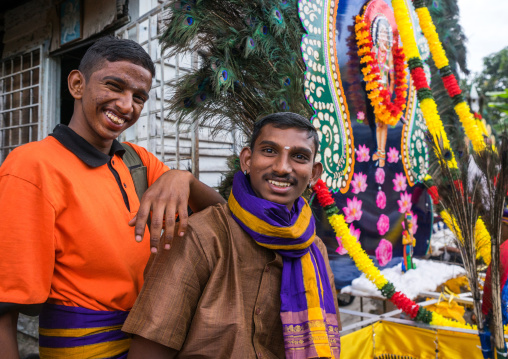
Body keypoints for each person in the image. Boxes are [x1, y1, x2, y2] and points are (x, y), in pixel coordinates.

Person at [0, 36, 224, 358]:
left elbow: (226, 221)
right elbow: (3, 311)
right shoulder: (32, 166)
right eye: (114, 86)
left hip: (151, 339)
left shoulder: (137, 161)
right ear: (77, 84)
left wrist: (184, 178)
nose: (126, 105)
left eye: (138, 97)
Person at [123, 113, 341, 359]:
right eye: (269, 151)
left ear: (313, 174)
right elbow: (149, 350)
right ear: (247, 160)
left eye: (299, 156)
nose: (282, 167)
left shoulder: (315, 249)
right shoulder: (200, 236)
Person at [371, 18, 395, 168]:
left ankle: (382, 155)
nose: (383, 36)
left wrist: (390, 92)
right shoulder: (374, 51)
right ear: (377, 35)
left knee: (383, 124)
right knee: (377, 123)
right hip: (375, 92)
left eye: (385, 33)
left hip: (385, 92)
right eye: (381, 33)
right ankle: (379, 152)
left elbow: (392, 77)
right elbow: (370, 69)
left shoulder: (389, 54)